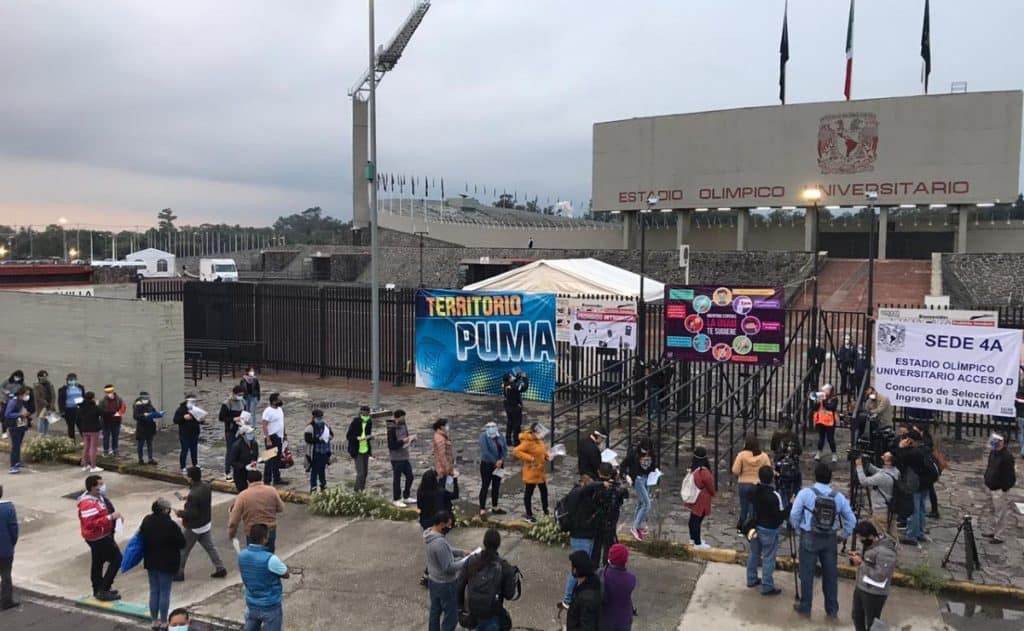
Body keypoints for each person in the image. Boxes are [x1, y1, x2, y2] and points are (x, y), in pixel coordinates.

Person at [788, 463, 856, 619]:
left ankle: (805, 607)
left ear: (815, 477)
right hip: (830, 538)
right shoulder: (838, 497)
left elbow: (794, 514)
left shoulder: (805, 493)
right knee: (831, 576)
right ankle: (832, 609)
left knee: (806, 574)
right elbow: (851, 520)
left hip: (809, 536)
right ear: (830, 479)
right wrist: (843, 536)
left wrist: (799, 529)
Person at [457, 528, 518, 631]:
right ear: (498, 544)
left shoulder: (471, 560)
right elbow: (509, 595)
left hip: (473, 614)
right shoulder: (504, 566)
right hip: (492, 615)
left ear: (484, 542)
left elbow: (459, 586)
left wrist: (460, 609)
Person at [140, 498, 186, 630]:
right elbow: (182, 543)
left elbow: (141, 534)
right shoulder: (170, 525)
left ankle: (154, 621)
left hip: (151, 560)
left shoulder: (147, 520)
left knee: (154, 590)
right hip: (167, 562)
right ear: (165, 510)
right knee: (165, 592)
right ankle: (164, 621)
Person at [559, 476, 603, 610]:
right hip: (580, 537)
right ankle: (567, 599)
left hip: (584, 536)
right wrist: (601, 483)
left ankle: (572, 596)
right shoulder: (577, 494)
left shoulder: (583, 496)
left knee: (582, 568)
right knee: (577, 569)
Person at [175, 467, 227, 581]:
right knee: (210, 548)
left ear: (191, 478)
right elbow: (199, 499)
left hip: (194, 527)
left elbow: (192, 513)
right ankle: (220, 568)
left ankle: (179, 573)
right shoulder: (206, 486)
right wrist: (187, 498)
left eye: (187, 475)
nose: (186, 477)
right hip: (205, 523)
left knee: (183, 550)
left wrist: (179, 513)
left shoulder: (194, 494)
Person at [77, 474, 123, 601]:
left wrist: (115, 518)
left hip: (102, 535)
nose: (103, 487)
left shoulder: (99, 498)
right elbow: (90, 523)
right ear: (92, 487)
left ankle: (98, 588)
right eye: (100, 484)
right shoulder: (88, 503)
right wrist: (110, 518)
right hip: (98, 537)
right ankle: (103, 588)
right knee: (117, 559)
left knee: (98, 561)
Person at [425, 511, 471, 631]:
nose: (450, 527)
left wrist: (461, 552)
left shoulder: (431, 534)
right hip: (445, 584)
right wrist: (465, 562)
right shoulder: (439, 543)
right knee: (451, 615)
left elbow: (448, 550)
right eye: (448, 525)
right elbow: (449, 567)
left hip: (433, 580)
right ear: (441, 524)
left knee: (435, 611)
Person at [238, 523, 289, 631]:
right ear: (265, 539)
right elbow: (286, 573)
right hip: (270, 606)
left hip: (252, 604)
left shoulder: (242, 556)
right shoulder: (270, 559)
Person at [849, 520, 897, 631]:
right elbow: (867, 558)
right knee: (857, 616)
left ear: (870, 536)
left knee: (872, 624)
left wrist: (860, 563)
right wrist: (858, 555)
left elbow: (880, 575)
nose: (861, 542)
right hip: (861, 587)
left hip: (874, 593)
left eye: (862, 539)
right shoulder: (870, 544)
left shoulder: (886, 552)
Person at [746, 465, 786, 595]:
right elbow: (779, 517)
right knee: (769, 557)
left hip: (756, 526)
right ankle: (767, 585)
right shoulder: (774, 496)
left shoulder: (754, 490)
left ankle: (751, 578)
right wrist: (790, 505)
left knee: (754, 553)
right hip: (769, 529)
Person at [228, 470, 285, 553]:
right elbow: (281, 508)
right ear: (261, 479)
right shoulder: (272, 491)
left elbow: (233, 521)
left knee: (254, 559)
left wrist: (231, 534)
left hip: (252, 532)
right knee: (269, 558)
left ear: (247, 481)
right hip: (270, 530)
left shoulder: (243, 496)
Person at [895, 429, 934, 547]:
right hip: (926, 482)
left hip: (915, 484)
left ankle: (911, 535)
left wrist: (900, 448)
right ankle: (920, 532)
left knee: (913, 509)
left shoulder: (913, 453)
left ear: (910, 440)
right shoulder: (926, 448)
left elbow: (900, 460)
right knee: (922, 508)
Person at [855, 451, 900, 538]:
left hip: (880, 511)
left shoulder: (882, 477)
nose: (882, 456)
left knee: (880, 538)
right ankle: (895, 550)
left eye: (885, 456)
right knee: (893, 536)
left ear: (889, 461)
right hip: (890, 509)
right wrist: (867, 464)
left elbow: (864, 481)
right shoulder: (895, 471)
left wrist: (859, 466)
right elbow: (879, 471)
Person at [591, 463, 628, 567]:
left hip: (597, 520)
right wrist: (618, 480)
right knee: (609, 545)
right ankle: (607, 566)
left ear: (598, 471)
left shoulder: (596, 485)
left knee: (596, 545)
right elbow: (625, 494)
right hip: (611, 520)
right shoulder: (616, 487)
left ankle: (594, 567)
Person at [731, 434, 771, 532]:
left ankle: (741, 527)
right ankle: (752, 527)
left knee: (743, 507)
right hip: (757, 484)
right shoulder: (763, 456)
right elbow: (768, 469)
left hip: (743, 484)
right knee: (754, 507)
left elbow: (735, 470)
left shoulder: (742, 455)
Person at [512, 422, 550, 523]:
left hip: (540, 470)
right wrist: (530, 458)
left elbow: (542, 451)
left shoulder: (539, 440)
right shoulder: (528, 442)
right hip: (532, 471)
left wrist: (547, 456)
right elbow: (516, 451)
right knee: (529, 493)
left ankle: (545, 510)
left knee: (544, 492)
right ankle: (529, 514)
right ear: (534, 432)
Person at [983, 433, 1017, 544]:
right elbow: (990, 467)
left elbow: (1010, 476)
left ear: (1003, 442)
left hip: (999, 489)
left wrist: (1004, 488)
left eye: (998, 440)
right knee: (991, 510)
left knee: (1000, 513)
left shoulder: (1007, 457)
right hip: (990, 486)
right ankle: (992, 530)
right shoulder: (993, 452)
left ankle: (999, 536)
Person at [622, 436, 657, 540]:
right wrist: (627, 476)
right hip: (638, 479)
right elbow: (623, 465)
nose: (646, 452)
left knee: (641, 503)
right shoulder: (634, 454)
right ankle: (635, 527)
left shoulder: (652, 454)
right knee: (647, 503)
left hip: (648, 478)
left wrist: (655, 473)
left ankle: (640, 524)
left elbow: (653, 465)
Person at [685, 446, 715, 549]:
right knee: (697, 520)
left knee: (693, 519)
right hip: (703, 498)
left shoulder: (693, 469)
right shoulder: (704, 472)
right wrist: (713, 493)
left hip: (694, 496)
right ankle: (697, 542)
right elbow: (711, 486)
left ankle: (692, 539)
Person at [601, 543, 636, 631]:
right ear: (626, 559)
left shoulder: (602, 574)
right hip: (624, 620)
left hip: (605, 619)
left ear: (610, 558)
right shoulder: (631, 578)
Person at [565, 550, 601, 631]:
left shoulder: (587, 598)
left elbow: (587, 627)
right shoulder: (585, 582)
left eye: (572, 566)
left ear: (577, 569)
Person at [477, 421, 507, 518]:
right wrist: (495, 462)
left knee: (496, 486)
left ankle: (495, 506)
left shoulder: (500, 435)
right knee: (485, 486)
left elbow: (504, 449)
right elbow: (485, 452)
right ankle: (482, 509)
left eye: (493, 426)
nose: (492, 428)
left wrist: (501, 460)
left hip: (499, 464)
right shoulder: (483, 437)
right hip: (487, 465)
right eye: (490, 427)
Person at [387, 410, 416, 508]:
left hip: (404, 455)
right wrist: (403, 441)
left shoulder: (404, 425)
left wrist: (410, 439)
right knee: (397, 478)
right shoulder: (391, 429)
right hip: (396, 458)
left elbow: (406, 437)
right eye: (402, 418)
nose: (404, 419)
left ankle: (406, 496)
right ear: (397, 417)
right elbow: (391, 445)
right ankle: (396, 498)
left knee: (410, 476)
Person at [770, 419, 802, 503]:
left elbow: (772, 448)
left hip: (779, 464)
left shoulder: (775, 435)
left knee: (778, 484)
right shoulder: (794, 436)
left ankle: (779, 501)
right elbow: (799, 451)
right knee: (796, 484)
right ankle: (793, 501)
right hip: (792, 465)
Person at [219, 385, 246, 481]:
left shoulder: (243, 401)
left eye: (242, 394)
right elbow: (221, 417)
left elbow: (245, 412)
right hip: (231, 430)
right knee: (230, 451)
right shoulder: (227, 403)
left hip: (241, 429)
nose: (241, 396)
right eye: (239, 394)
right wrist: (233, 419)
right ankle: (227, 471)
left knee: (240, 451)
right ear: (234, 393)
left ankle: (237, 471)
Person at [303, 409, 332, 494]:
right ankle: (313, 487)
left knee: (322, 469)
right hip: (314, 452)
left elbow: (331, 434)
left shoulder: (325, 425)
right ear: (313, 417)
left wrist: (329, 437)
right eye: (318, 417)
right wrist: (319, 439)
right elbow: (308, 439)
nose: (320, 419)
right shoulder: (309, 427)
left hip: (324, 451)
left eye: (321, 417)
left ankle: (323, 485)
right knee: (315, 470)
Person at [3, 387, 32, 474]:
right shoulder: (13, 401)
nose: (27, 396)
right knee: (15, 446)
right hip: (14, 426)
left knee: (19, 444)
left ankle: (18, 462)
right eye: (26, 394)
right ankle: (13, 466)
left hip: (21, 425)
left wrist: (26, 414)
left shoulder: (21, 402)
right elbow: (8, 414)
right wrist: (20, 414)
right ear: (21, 394)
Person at [345, 405, 373, 492]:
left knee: (365, 473)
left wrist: (370, 437)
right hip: (357, 450)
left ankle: (362, 490)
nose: (365, 416)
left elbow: (367, 434)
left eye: (367, 414)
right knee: (360, 473)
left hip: (365, 449)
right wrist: (357, 438)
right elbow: (348, 436)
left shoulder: (369, 422)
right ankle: (356, 492)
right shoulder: (355, 422)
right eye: (363, 414)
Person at [174, 394, 202, 475]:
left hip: (194, 432)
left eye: (194, 401)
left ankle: (195, 464)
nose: (193, 403)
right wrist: (183, 418)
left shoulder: (195, 409)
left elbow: (198, 419)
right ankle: (183, 466)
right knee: (185, 450)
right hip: (184, 433)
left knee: (194, 449)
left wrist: (201, 420)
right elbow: (175, 420)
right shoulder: (181, 409)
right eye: (192, 401)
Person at [261, 394, 286, 486]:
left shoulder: (279, 409)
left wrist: (284, 434)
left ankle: (277, 478)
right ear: (274, 401)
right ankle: (267, 480)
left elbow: (281, 422)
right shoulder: (268, 411)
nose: (281, 401)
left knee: (277, 459)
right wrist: (267, 439)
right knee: (269, 459)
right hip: (272, 437)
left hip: (279, 437)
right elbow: (264, 425)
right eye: (279, 399)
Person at [0, 485, 18, 610]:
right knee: (6, 575)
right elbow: (14, 530)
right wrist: (12, 543)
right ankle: (6, 601)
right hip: (5, 548)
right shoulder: (8, 508)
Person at [133, 391, 163, 466]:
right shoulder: (137, 405)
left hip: (150, 427)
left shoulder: (150, 405)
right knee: (141, 444)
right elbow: (136, 416)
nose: (146, 399)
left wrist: (158, 414)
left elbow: (154, 412)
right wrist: (144, 415)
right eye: (145, 398)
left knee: (150, 444)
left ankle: (150, 459)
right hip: (142, 428)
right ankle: (140, 459)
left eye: (147, 398)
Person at [811, 384, 839, 463]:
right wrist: (817, 402)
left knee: (830, 439)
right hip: (821, 421)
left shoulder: (834, 399)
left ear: (830, 391)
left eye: (825, 390)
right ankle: (818, 453)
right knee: (821, 438)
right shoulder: (821, 397)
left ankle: (834, 454)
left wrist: (823, 401)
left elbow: (831, 408)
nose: (823, 392)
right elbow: (815, 408)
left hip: (830, 422)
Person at [229, 423, 260, 493]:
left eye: (252, 432)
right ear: (243, 434)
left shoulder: (254, 444)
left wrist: (255, 461)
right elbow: (232, 462)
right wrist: (244, 466)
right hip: (240, 475)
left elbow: (255, 455)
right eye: (249, 433)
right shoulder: (236, 446)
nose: (251, 434)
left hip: (251, 474)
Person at [77, 392, 103, 473]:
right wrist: (97, 405)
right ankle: (93, 466)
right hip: (94, 430)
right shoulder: (94, 407)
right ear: (93, 398)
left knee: (86, 447)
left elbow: (78, 418)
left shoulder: (81, 406)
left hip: (84, 429)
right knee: (93, 448)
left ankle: (85, 465)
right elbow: (102, 413)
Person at [502, 371, 528, 447]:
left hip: (508, 405)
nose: (512, 377)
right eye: (511, 376)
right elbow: (524, 388)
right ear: (509, 379)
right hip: (515, 407)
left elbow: (513, 381)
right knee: (517, 424)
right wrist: (525, 378)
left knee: (510, 423)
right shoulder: (514, 387)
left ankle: (508, 440)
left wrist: (518, 376)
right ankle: (516, 442)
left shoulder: (505, 384)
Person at [58, 372, 86, 443]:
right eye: (70, 379)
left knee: (81, 426)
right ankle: (72, 443)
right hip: (69, 409)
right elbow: (60, 400)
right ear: (67, 380)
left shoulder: (80, 387)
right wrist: (62, 411)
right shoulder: (63, 389)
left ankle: (86, 441)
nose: (72, 381)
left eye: (74, 379)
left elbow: (83, 397)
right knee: (71, 427)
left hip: (79, 409)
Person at [99, 385, 126, 458]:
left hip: (116, 421)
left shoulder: (119, 399)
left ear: (113, 391)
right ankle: (106, 451)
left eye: (110, 392)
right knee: (106, 437)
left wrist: (119, 413)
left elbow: (123, 408)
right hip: (106, 421)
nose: (109, 394)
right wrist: (106, 413)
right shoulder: (103, 401)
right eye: (108, 392)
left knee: (115, 436)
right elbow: (100, 411)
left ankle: (115, 450)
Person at [31, 370, 54, 436]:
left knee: (47, 420)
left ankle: (46, 433)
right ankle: (40, 433)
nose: (45, 378)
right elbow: (37, 397)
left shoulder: (50, 384)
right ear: (39, 377)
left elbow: (53, 395)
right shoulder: (36, 385)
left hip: (49, 405)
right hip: (42, 406)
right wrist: (45, 403)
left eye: (46, 376)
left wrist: (51, 404)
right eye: (43, 376)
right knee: (42, 420)